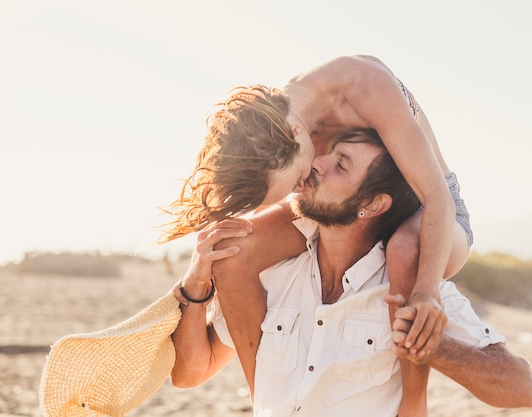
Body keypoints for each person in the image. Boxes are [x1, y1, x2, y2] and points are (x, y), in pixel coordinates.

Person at [169, 129, 532, 417]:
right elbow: (189, 373)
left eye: (340, 165)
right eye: (328, 154)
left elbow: (522, 389)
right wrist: (196, 285)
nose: (317, 164)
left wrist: (433, 348)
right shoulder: (271, 278)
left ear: (372, 205)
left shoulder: (404, 291)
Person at [159, 55, 471, 393]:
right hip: (349, 203)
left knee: (406, 248)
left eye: (297, 180)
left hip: (429, 205)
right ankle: (268, 399)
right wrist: (201, 269)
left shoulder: (364, 87)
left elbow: (437, 197)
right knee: (231, 250)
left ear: (297, 134)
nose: (304, 179)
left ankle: (414, 403)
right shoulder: (271, 126)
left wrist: (426, 294)